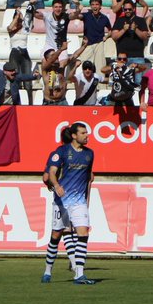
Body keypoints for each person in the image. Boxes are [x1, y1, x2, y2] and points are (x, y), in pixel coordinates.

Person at [42, 122, 97, 285]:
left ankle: (79, 274)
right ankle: (47, 270)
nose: (87, 135)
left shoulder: (90, 154)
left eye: (87, 132)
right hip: (62, 201)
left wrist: (87, 196)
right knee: (56, 236)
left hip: (79, 201)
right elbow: (50, 173)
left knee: (83, 234)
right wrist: (57, 185)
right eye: (83, 133)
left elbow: (89, 176)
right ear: (74, 136)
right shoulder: (61, 152)